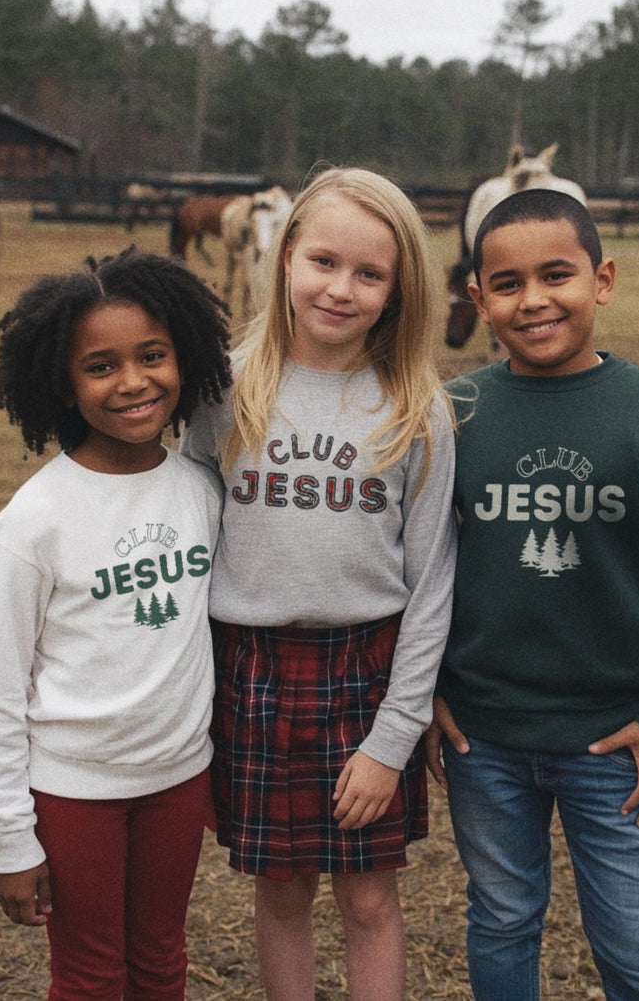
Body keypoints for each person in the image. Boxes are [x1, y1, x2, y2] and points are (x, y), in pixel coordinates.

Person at [424, 189, 639, 1000]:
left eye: (555, 275)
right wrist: (427, 693)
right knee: (499, 920)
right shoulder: (451, 415)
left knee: (636, 947)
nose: (533, 300)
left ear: (601, 280)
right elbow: (416, 570)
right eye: (507, 284)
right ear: (477, 298)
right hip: (482, 739)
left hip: (618, 747)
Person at [181, 168, 457, 1001]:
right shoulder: (222, 392)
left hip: (365, 678)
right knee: (280, 893)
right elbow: (190, 549)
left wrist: (392, 738)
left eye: (369, 274)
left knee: (370, 899)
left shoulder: (416, 407)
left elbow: (433, 581)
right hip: (251, 674)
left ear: (398, 289)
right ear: (285, 256)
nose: (341, 289)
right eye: (323, 262)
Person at [0, 250, 233, 1001]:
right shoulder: (31, 526)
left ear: (187, 359)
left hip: (178, 779)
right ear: (62, 385)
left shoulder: (200, 492)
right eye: (101, 366)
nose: (134, 382)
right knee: (88, 975)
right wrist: (9, 841)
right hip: (73, 792)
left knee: (159, 958)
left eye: (152, 356)